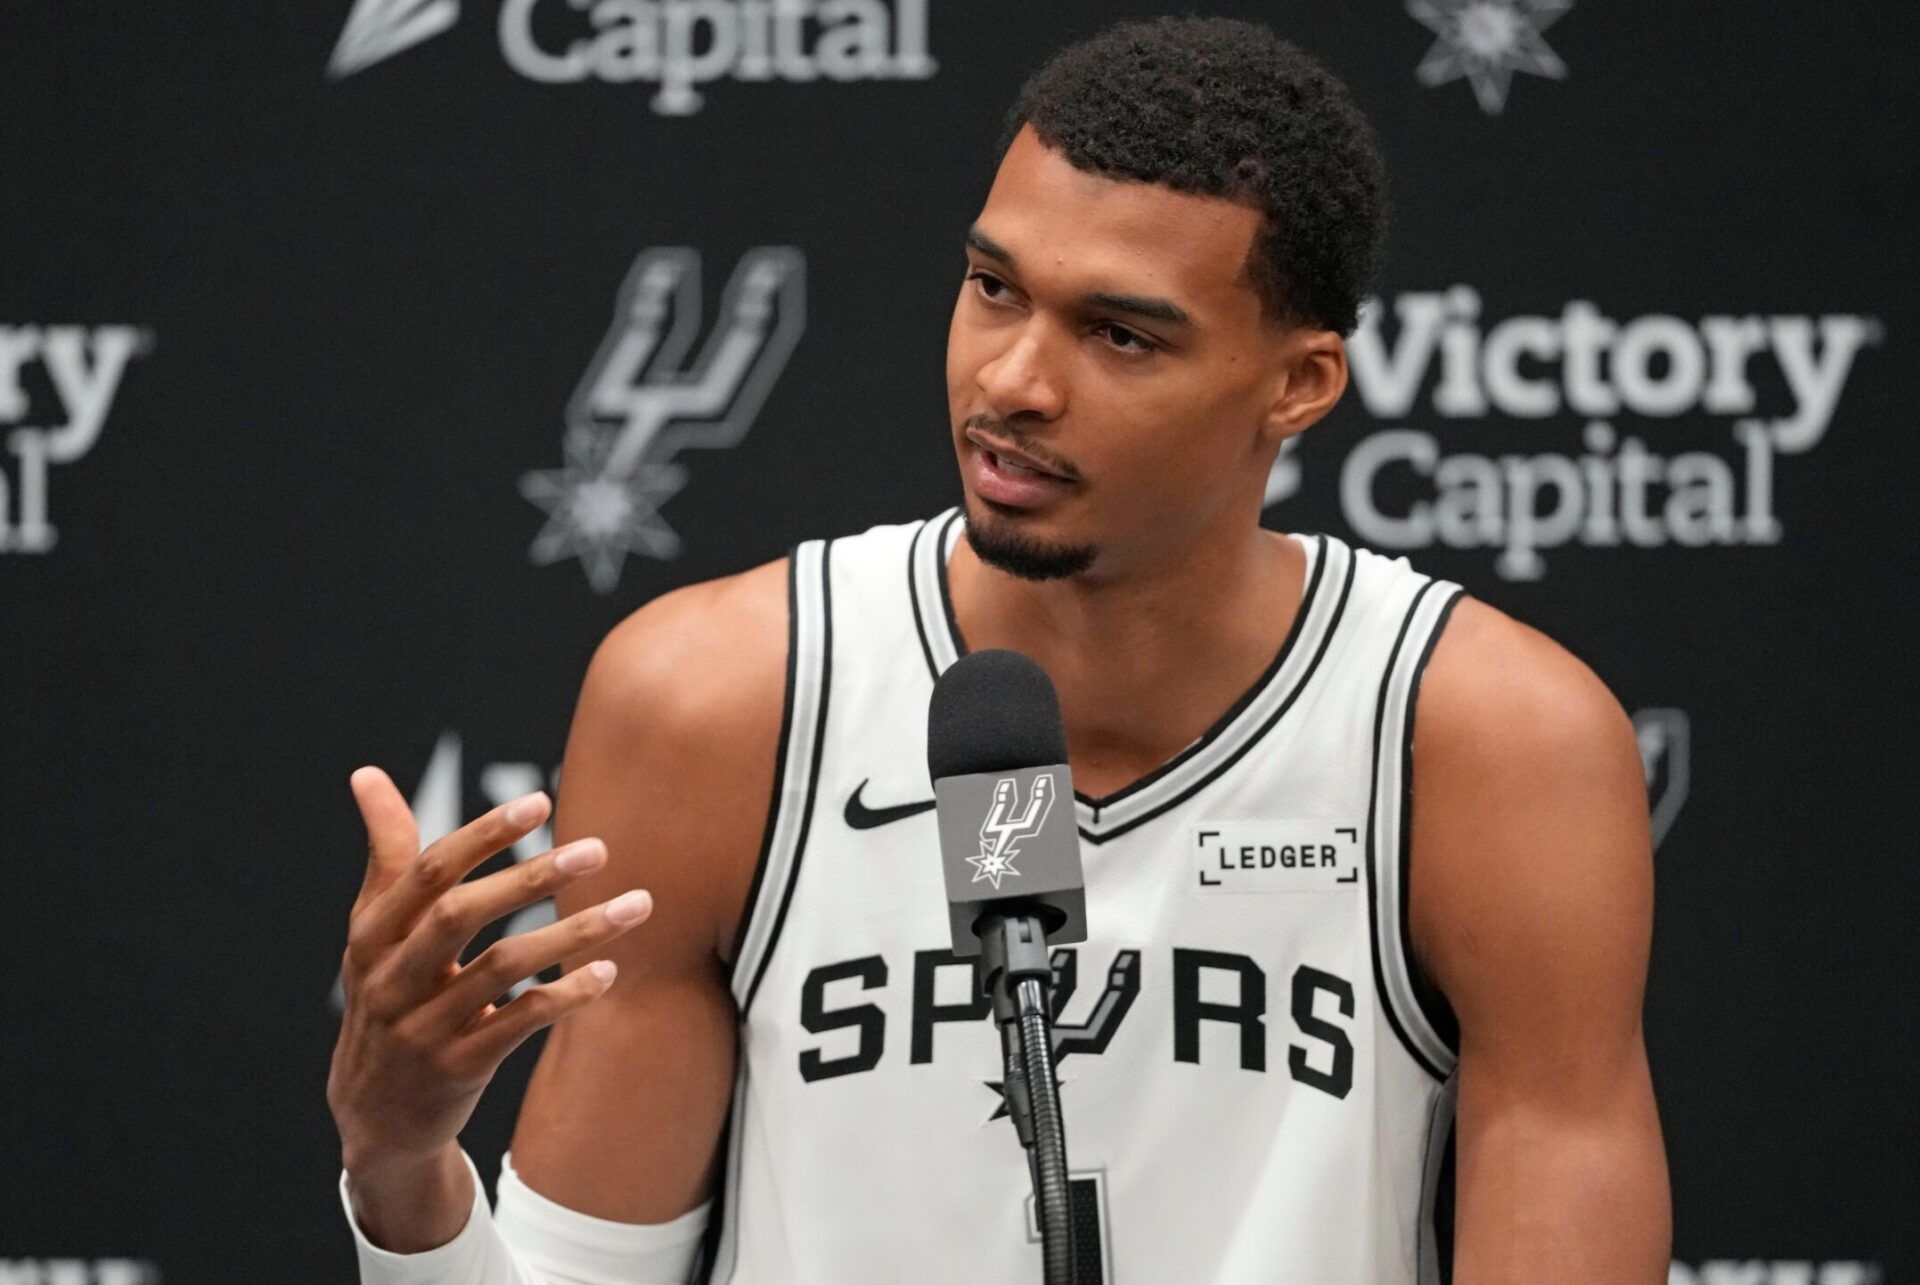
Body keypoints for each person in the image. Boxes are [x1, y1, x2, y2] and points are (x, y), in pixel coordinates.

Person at [329, 15, 1670, 1283]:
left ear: (1299, 383)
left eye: (1119, 333)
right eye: (993, 289)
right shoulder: (722, 700)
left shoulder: (1488, 742)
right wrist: (403, 1165)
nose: (1013, 381)